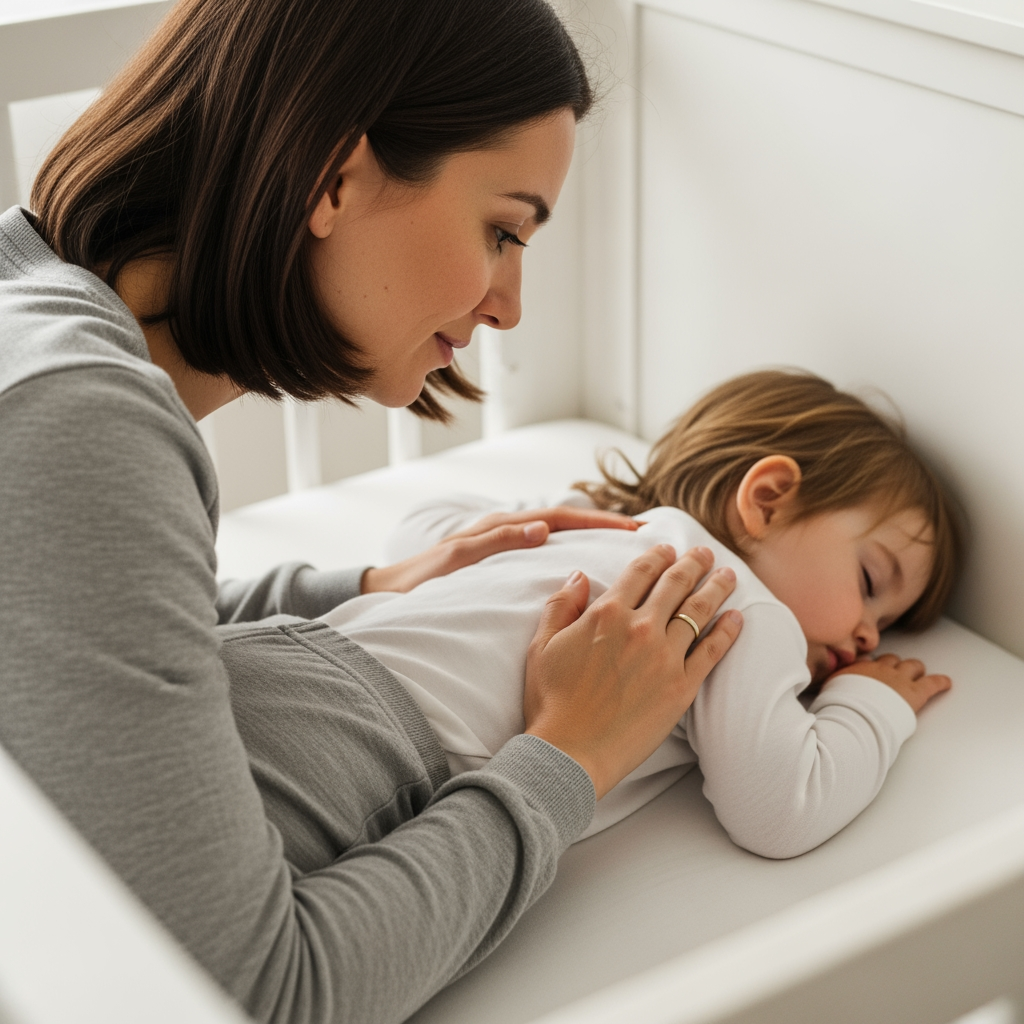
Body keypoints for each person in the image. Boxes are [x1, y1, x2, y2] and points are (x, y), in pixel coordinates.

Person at [0, 1, 744, 1022]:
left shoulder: (37, 327)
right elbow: (258, 994)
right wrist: (571, 755)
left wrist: (358, 587)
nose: (508, 305)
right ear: (336, 177)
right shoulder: (79, 419)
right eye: (502, 229)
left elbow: (63, 643)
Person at [323, 371, 963, 858]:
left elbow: (415, 538)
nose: (869, 634)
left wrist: (516, 528)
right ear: (767, 501)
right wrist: (873, 703)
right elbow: (783, 811)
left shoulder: (595, 523)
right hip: (386, 758)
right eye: (870, 581)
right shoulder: (741, 610)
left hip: (319, 650)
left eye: (888, 625)